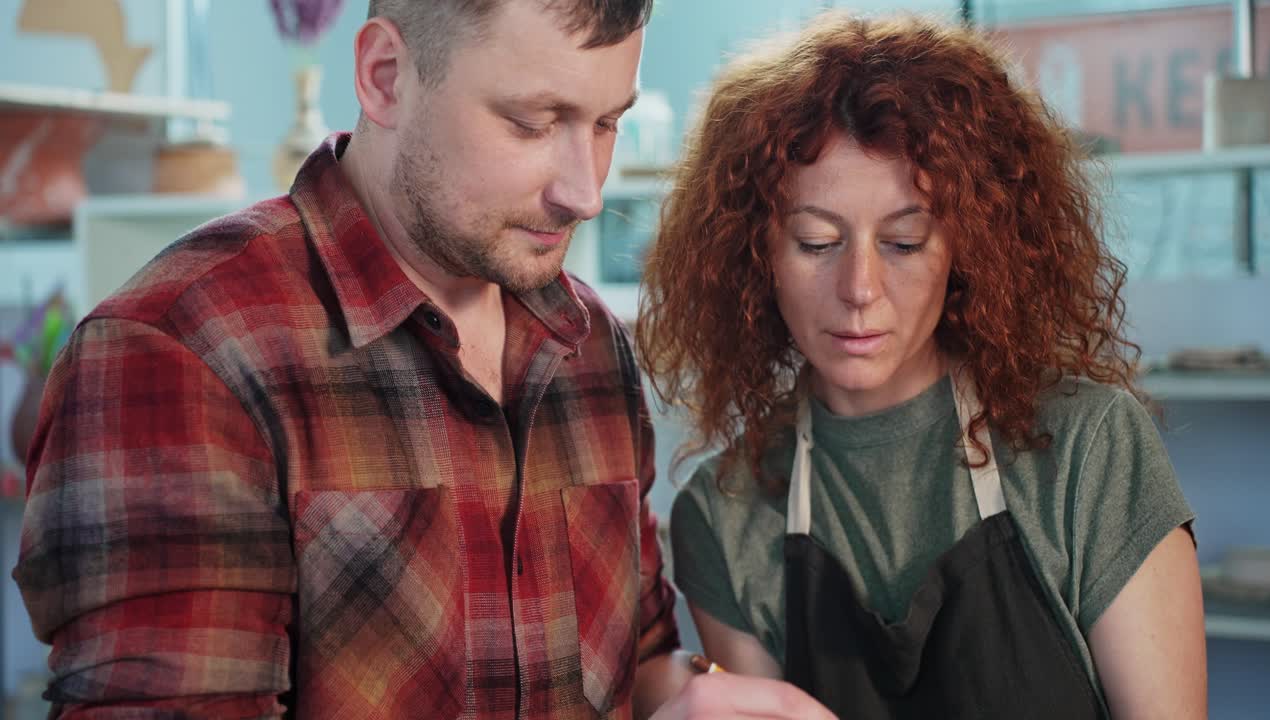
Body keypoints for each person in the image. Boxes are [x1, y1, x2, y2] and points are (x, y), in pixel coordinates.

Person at [13, 1, 835, 718]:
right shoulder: (183, 350)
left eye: (607, 121)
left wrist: (687, 701)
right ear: (385, 76)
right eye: (533, 122)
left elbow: (639, 656)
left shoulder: (588, 344)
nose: (585, 190)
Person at [636, 12, 1207, 720]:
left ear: (968, 249)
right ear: (755, 258)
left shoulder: (1088, 450)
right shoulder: (726, 515)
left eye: (905, 243)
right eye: (816, 243)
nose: (859, 290)